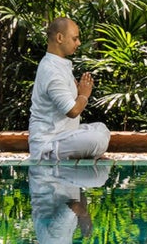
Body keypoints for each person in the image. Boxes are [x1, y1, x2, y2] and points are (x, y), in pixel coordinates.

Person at [28, 16, 111, 161]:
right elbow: (72, 111)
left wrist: (78, 92)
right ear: (60, 38)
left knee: (101, 129)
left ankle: (84, 153)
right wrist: (84, 95)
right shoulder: (52, 71)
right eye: (75, 39)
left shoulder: (58, 64)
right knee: (97, 139)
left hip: (65, 136)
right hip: (48, 144)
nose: (78, 43)